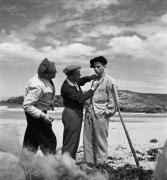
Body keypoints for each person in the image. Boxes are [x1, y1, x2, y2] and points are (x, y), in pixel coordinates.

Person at [83, 56, 119, 165]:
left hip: (101, 114)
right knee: (87, 140)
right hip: (89, 112)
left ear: (104, 66)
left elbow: (114, 102)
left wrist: (106, 113)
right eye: (94, 67)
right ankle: (89, 163)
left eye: (98, 67)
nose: (96, 69)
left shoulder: (110, 81)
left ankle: (100, 164)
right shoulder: (94, 80)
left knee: (100, 141)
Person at [61, 65, 99, 159]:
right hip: (71, 114)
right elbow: (81, 99)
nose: (80, 75)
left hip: (75, 112)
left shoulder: (73, 81)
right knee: (71, 139)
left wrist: (90, 78)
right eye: (78, 74)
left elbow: (81, 81)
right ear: (71, 75)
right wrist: (92, 89)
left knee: (74, 139)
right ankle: (66, 163)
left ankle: (69, 161)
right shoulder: (66, 87)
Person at [23, 58, 57, 155]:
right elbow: (27, 105)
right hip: (35, 114)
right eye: (53, 72)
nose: (56, 72)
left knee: (31, 139)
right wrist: (43, 115)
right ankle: (51, 164)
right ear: (46, 74)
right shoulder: (37, 85)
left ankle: (26, 162)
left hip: (40, 111)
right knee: (49, 139)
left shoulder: (46, 79)